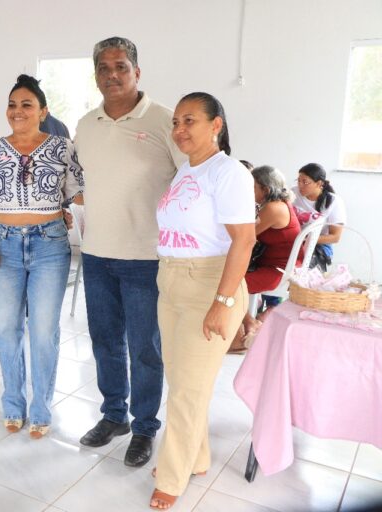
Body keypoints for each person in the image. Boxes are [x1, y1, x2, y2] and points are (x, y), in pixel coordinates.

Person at [74, 36, 184, 466]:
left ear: (137, 71)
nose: (112, 75)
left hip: (146, 256)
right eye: (104, 68)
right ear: (95, 75)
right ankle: (114, 415)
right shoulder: (87, 124)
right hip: (96, 254)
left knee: (144, 348)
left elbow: (191, 181)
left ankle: (144, 427)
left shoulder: (165, 120)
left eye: (121, 66)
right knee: (105, 342)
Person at [0, 74, 83, 439]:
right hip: (2, 244)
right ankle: (13, 403)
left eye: (27, 105)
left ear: (43, 111)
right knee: (6, 328)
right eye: (12, 105)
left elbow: (78, 196)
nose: (18, 111)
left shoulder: (63, 148)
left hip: (49, 245)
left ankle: (41, 407)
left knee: (44, 331)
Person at [150, 92, 255, 510]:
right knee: (183, 383)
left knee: (187, 391)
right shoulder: (187, 170)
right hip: (172, 281)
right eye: (176, 122)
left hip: (210, 284)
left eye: (189, 120)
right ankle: (195, 456)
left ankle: (172, 477)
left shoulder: (228, 172)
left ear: (216, 125)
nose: (179, 130)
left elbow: (244, 241)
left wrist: (222, 302)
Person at [228, 165, 301, 354]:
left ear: (266, 190)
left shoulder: (273, 208)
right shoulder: (279, 203)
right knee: (227, 278)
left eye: (252, 187)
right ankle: (249, 323)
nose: (249, 191)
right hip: (274, 265)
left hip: (277, 271)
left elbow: (244, 235)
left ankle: (242, 333)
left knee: (230, 283)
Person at [292, 162, 346, 272]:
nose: (300, 185)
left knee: (302, 271)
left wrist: (304, 240)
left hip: (318, 245)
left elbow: (335, 237)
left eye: (305, 182)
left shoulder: (334, 202)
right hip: (294, 240)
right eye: (298, 181)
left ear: (319, 183)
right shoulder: (293, 193)